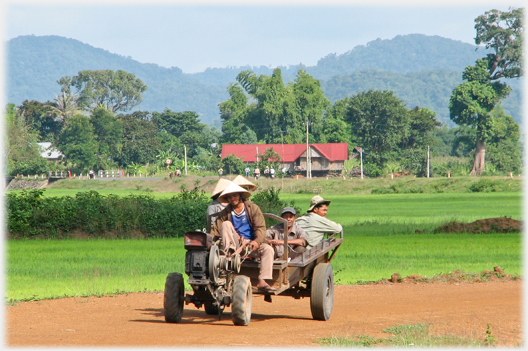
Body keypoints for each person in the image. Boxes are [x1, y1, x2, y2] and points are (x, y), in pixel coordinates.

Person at [210, 183, 276, 292]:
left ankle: (262, 281)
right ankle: (229, 255)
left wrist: (256, 242)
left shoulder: (252, 208)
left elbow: (260, 228)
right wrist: (210, 244)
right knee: (226, 224)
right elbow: (214, 232)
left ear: (240, 195)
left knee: (268, 250)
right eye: (230, 197)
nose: (233, 199)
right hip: (234, 244)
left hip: (250, 244)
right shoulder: (224, 213)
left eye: (235, 195)